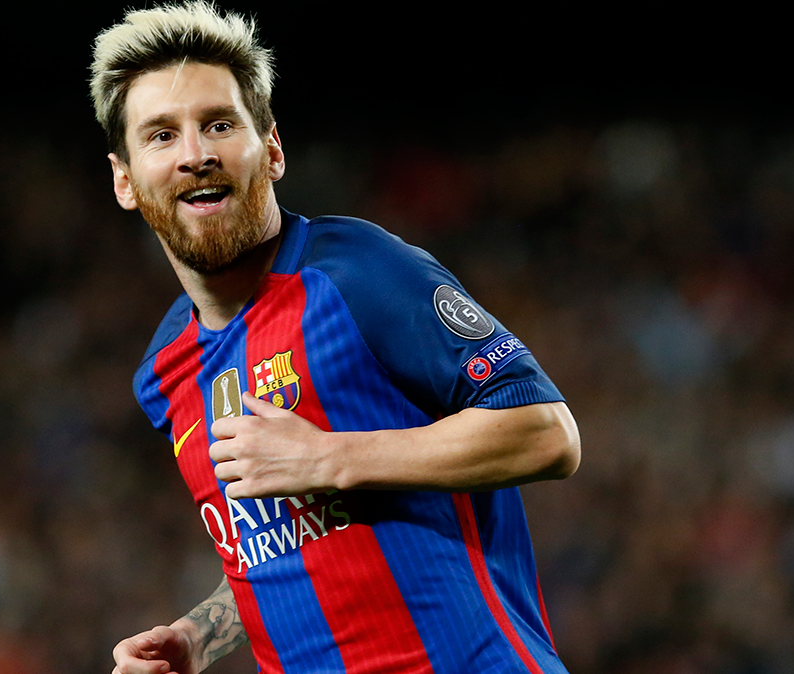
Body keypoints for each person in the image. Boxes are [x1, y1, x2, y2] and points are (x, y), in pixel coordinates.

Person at [90, 3, 581, 672]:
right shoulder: (164, 372)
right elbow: (286, 545)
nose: (195, 154)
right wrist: (198, 638)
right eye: (161, 135)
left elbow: (546, 433)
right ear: (125, 180)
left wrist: (332, 456)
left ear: (271, 149)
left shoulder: (355, 272)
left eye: (219, 124)